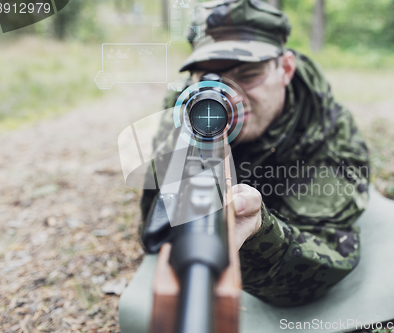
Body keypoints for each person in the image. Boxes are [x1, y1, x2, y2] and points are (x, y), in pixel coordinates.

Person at [141, 0, 370, 307]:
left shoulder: (327, 131)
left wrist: (261, 234)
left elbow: (325, 258)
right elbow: (155, 213)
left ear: (285, 69)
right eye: (210, 77)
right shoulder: (188, 105)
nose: (228, 96)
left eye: (248, 74)